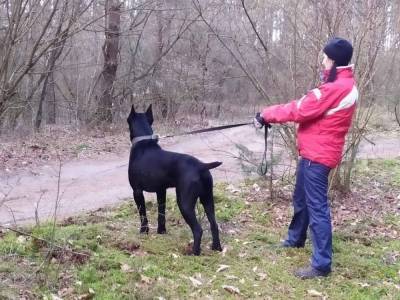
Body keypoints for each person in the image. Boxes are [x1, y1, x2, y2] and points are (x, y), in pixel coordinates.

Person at [253, 37, 358, 279]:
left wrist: (265, 115)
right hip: (314, 153)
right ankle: (295, 239)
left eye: (325, 57)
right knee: (301, 198)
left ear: (333, 61)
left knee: (317, 208)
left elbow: (299, 109)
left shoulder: (334, 88)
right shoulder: (345, 84)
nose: (322, 61)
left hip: (318, 157)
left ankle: (321, 265)